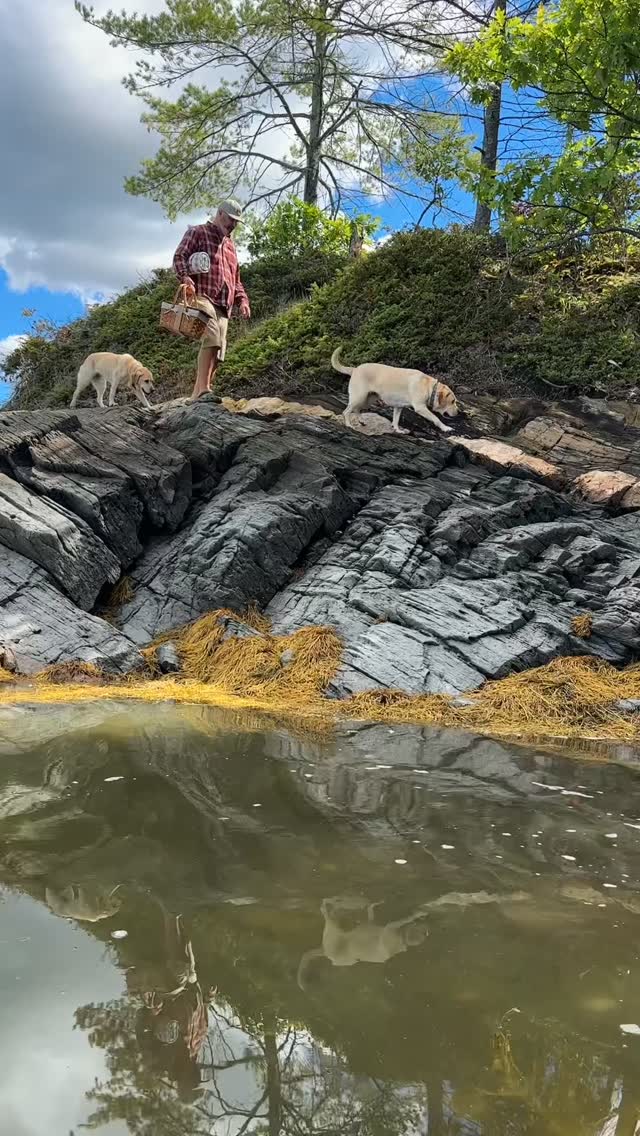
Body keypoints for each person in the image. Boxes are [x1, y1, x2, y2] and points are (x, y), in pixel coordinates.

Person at [173, 199, 251, 399]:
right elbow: (179, 256)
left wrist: (243, 300)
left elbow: (236, 280)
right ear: (220, 214)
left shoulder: (231, 247)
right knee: (212, 338)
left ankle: (197, 395)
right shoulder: (198, 232)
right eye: (231, 219)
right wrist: (185, 277)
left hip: (224, 305)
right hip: (202, 296)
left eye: (236, 222)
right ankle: (205, 390)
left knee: (218, 353)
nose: (233, 224)